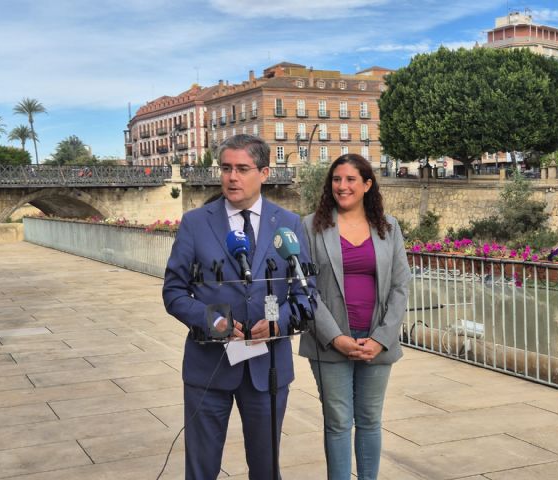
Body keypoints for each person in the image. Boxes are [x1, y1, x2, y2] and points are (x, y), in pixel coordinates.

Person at [163, 134, 312, 479]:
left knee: (265, 469)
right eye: (226, 168)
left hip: (268, 369)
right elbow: (174, 292)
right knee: (201, 469)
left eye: (242, 169)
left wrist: (280, 323)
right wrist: (214, 320)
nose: (232, 177)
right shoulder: (196, 223)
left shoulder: (288, 223)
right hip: (208, 368)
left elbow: (305, 293)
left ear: (264, 172)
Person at [299, 153, 410, 480]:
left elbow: (401, 285)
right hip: (329, 341)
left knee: (370, 420)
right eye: (336, 179)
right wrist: (336, 338)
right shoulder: (311, 226)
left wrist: (381, 338)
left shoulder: (388, 227)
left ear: (367, 184)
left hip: (376, 340)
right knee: (337, 423)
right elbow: (304, 287)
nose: (342, 186)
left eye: (350, 179)